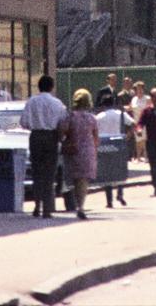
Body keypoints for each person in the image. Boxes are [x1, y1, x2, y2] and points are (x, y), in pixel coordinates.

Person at [20, 75, 66, 220]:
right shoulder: (57, 103)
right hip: (51, 137)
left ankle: (37, 205)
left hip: (36, 137)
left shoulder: (31, 101)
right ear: (52, 87)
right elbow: (62, 123)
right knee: (49, 174)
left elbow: (24, 122)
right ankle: (47, 209)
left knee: (37, 172)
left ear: (38, 87)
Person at [60, 90, 99, 220]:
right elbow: (96, 137)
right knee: (83, 179)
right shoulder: (92, 118)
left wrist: (64, 140)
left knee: (74, 179)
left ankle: (74, 203)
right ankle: (80, 206)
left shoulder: (70, 116)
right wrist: (95, 149)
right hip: (88, 150)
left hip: (73, 149)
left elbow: (62, 132)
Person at [94, 89, 131, 208]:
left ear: (103, 105)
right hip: (118, 142)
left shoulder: (99, 117)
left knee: (106, 172)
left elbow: (94, 130)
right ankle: (120, 193)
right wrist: (127, 136)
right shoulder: (120, 114)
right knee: (119, 169)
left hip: (104, 144)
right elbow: (132, 123)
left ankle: (109, 201)